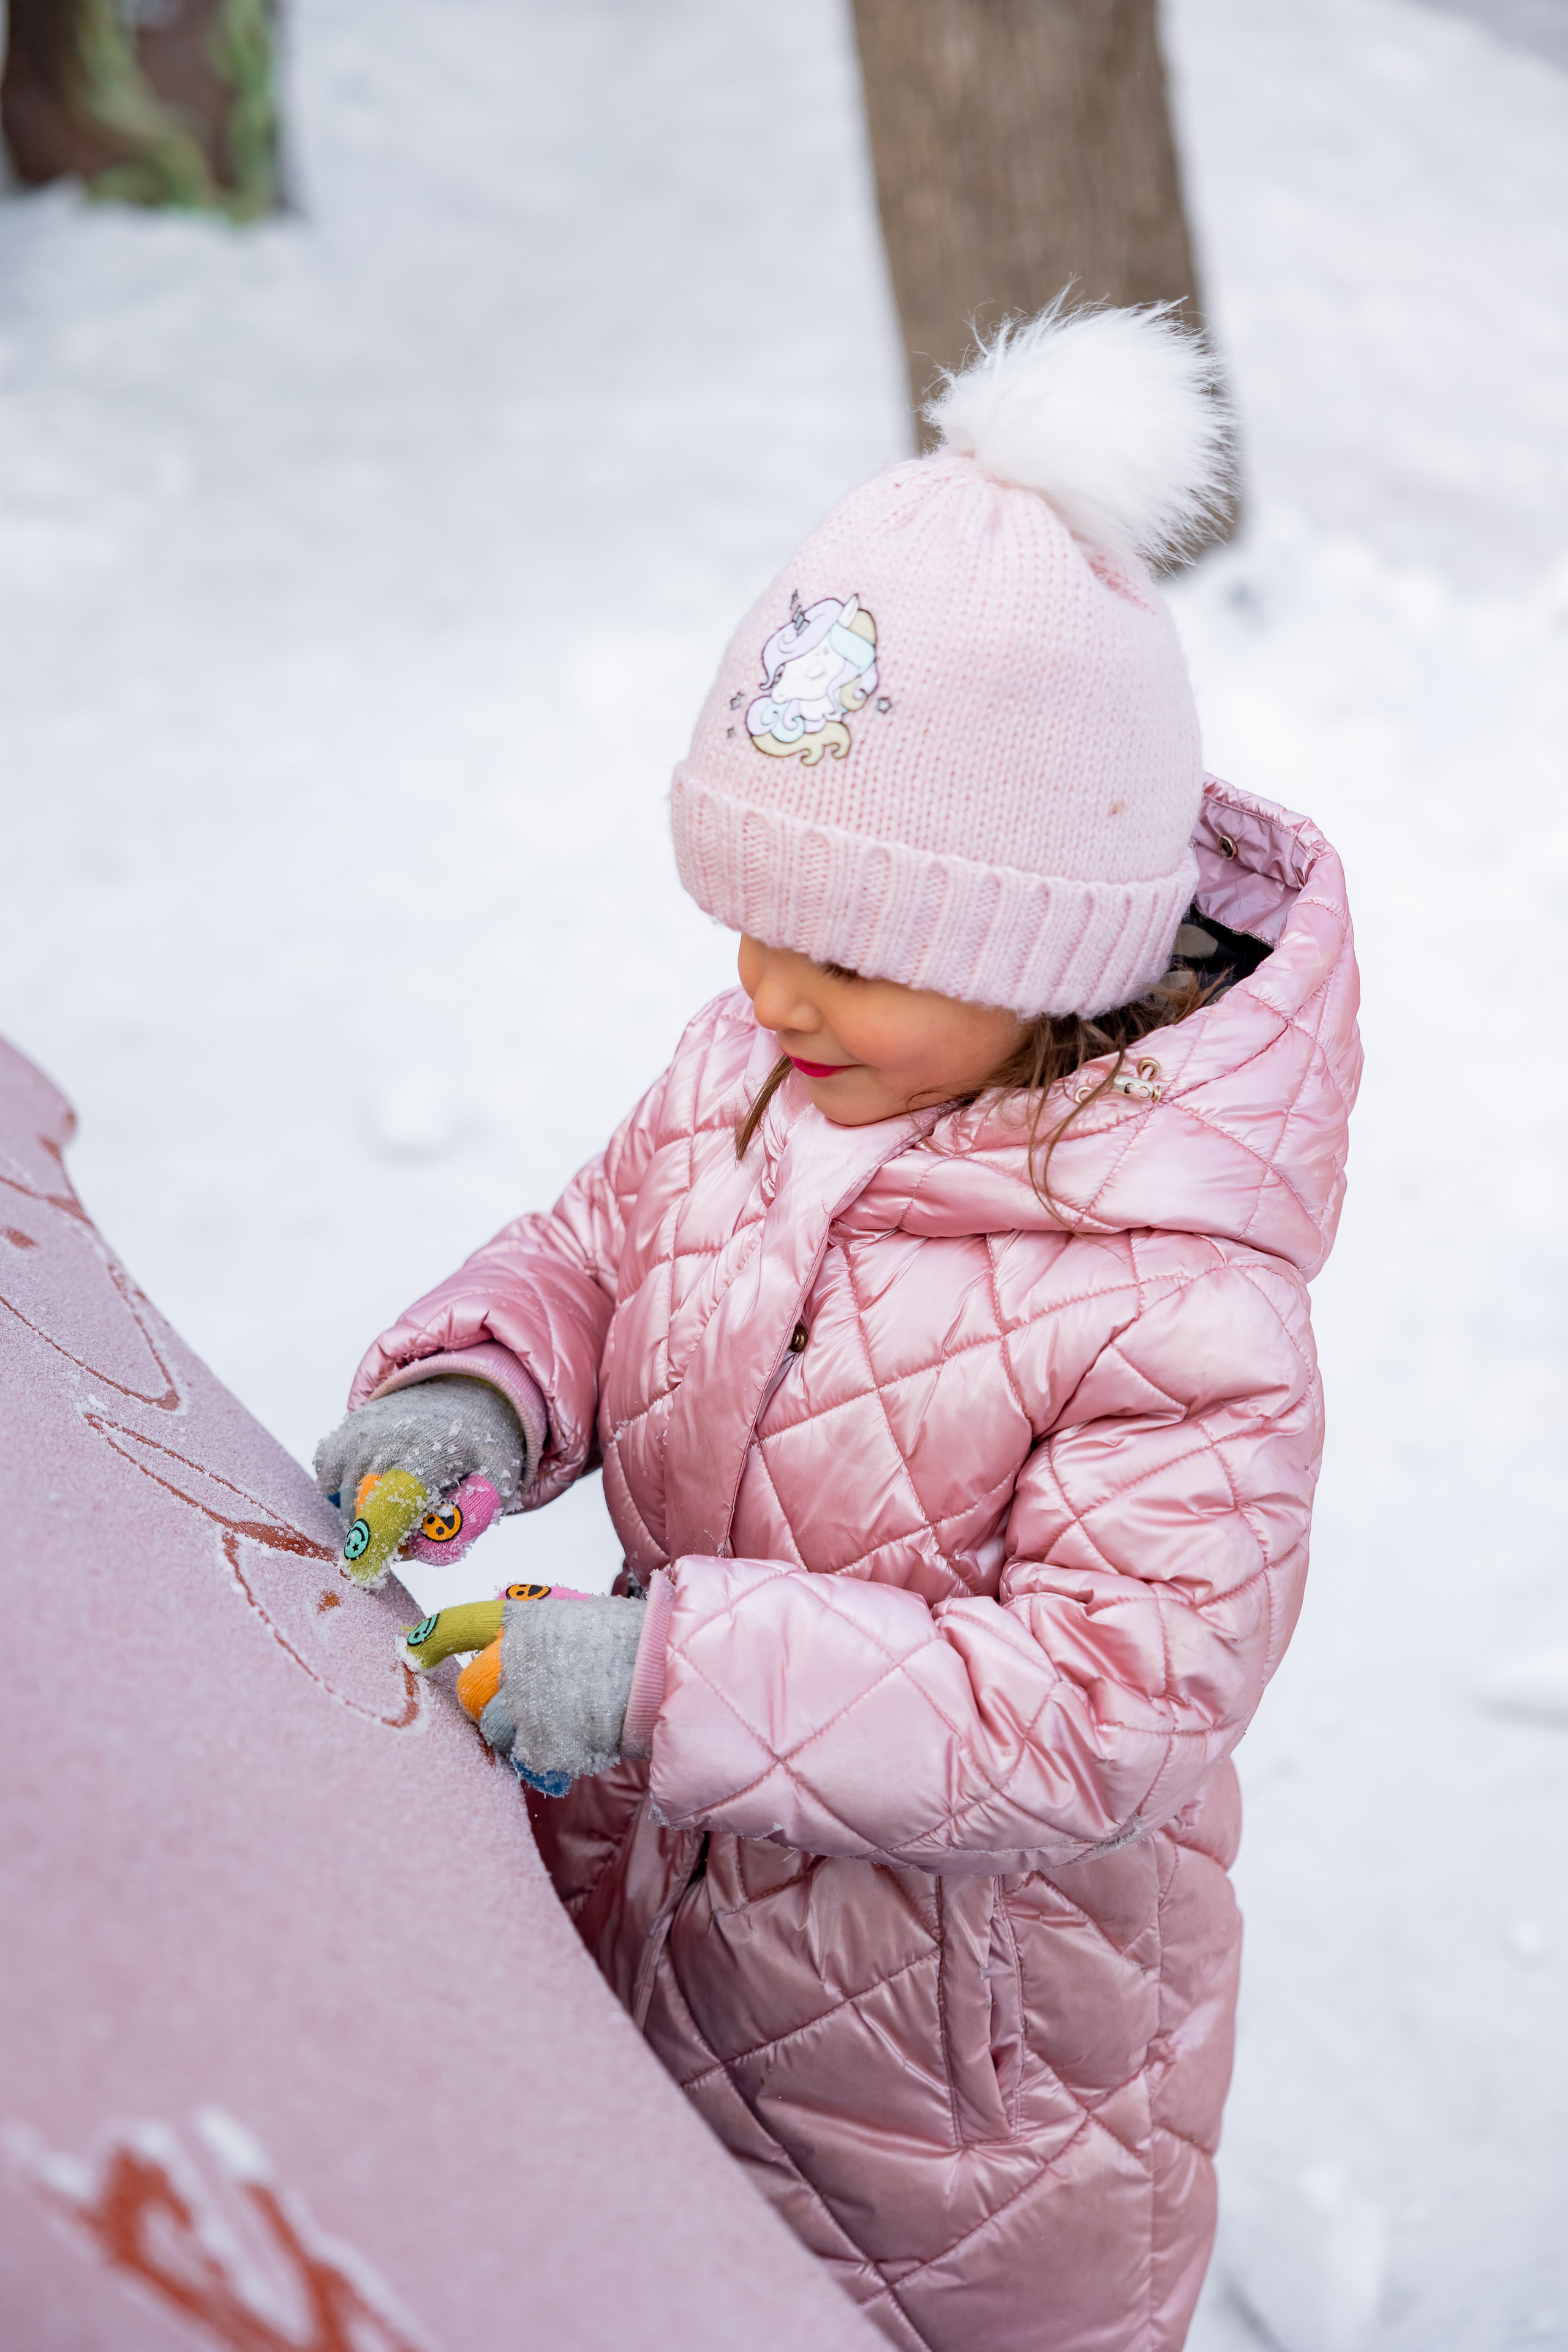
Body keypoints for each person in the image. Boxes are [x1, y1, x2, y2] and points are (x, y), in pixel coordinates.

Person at [315, 303, 1360, 2352]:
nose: (771, 995)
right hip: (655, 1919)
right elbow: (609, 1248)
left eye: (850, 955)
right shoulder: (768, 1074)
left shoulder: (1184, 1295)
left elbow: (1106, 1706)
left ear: (1045, 957)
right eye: (754, 921)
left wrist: (662, 1675)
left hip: (962, 2108)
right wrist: (478, 1386)